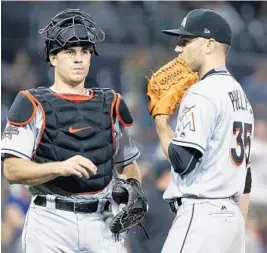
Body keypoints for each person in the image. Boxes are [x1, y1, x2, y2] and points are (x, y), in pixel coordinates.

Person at [2, 8, 143, 253]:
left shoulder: (112, 103)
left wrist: (132, 188)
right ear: (53, 58)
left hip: (103, 221)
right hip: (51, 221)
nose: (79, 58)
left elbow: (128, 164)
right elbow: (11, 170)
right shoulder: (31, 102)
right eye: (70, 51)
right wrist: (60, 167)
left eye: (85, 51)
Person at [153, 9, 254, 253]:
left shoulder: (202, 92)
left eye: (186, 41)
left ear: (209, 45)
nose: (179, 48)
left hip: (202, 216)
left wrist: (161, 123)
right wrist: (237, 223)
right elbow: (246, 177)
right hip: (231, 218)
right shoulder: (240, 96)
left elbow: (183, 161)